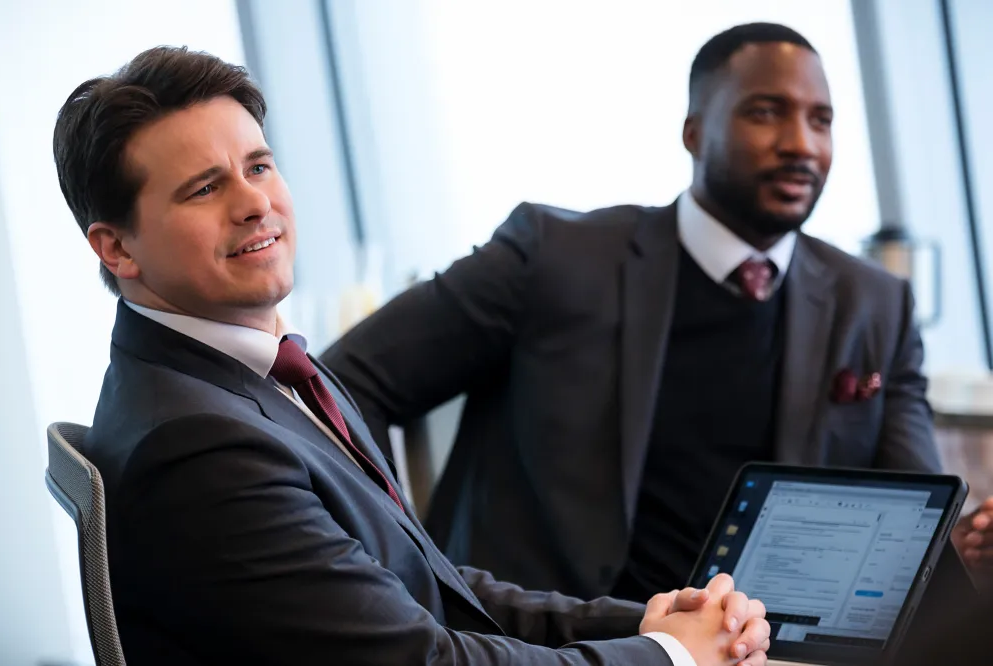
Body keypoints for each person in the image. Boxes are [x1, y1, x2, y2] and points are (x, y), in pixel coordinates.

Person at [53, 46, 772, 666]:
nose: (255, 204)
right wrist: (674, 657)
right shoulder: (200, 445)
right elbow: (418, 660)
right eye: (205, 188)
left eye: (260, 166)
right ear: (116, 249)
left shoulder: (256, 375)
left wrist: (647, 623)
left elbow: (426, 586)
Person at [321, 21, 993, 603]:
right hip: (551, 641)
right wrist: (398, 558)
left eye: (821, 120)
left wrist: (962, 544)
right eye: (766, 112)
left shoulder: (873, 303)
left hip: (757, 648)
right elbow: (341, 384)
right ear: (695, 133)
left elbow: (914, 505)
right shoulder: (553, 257)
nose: (801, 144)